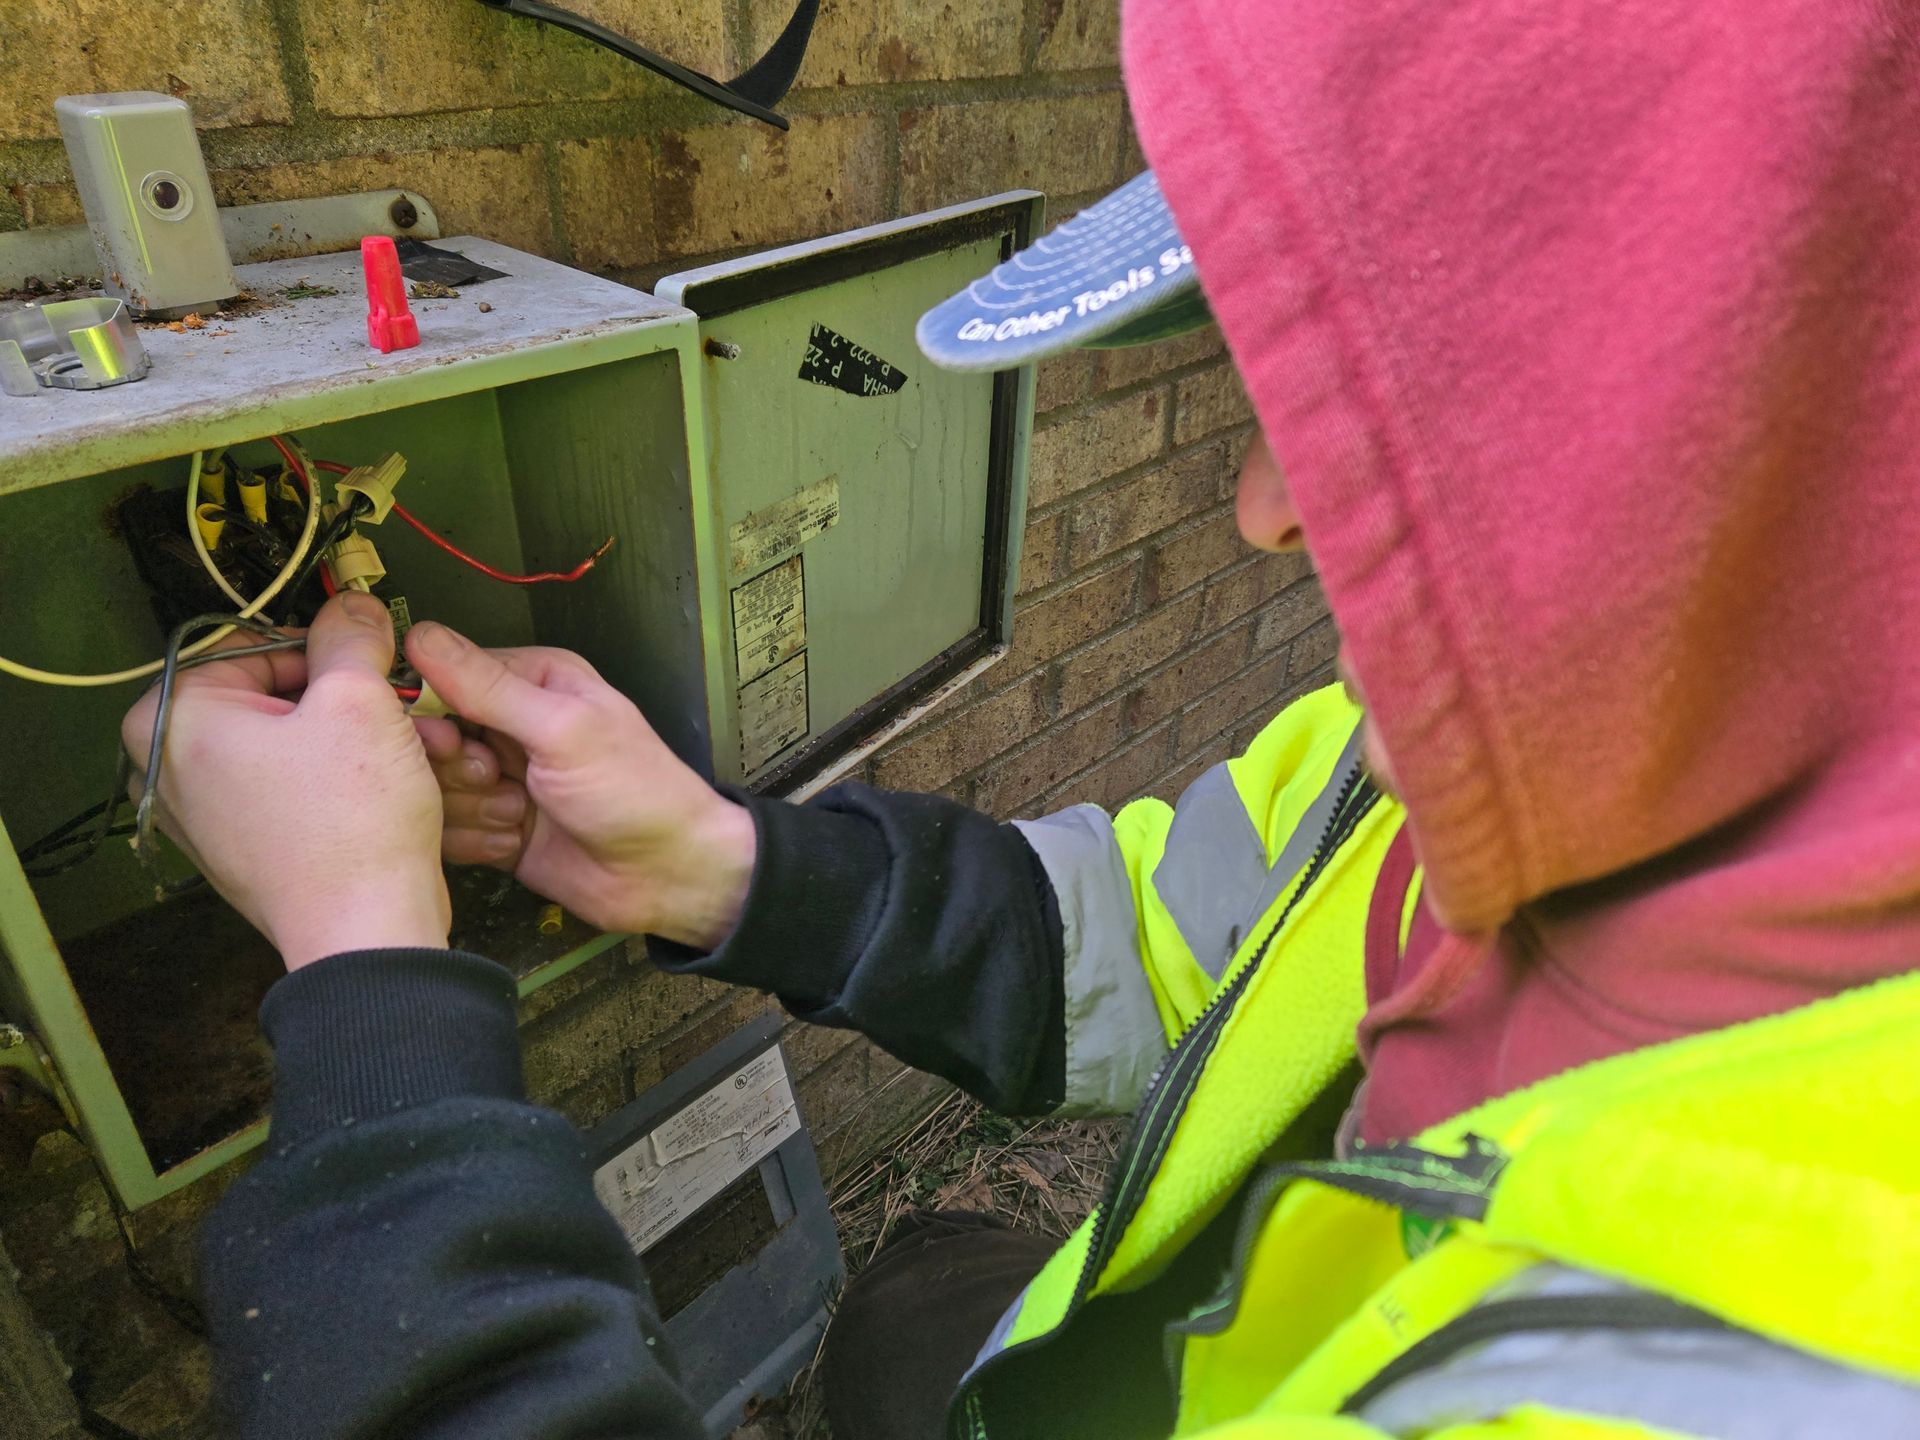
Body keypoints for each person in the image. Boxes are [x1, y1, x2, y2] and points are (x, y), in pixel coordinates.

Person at [142, 0, 1920, 1436]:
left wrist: (366, 983)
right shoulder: (1466, 771)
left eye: (1423, 391)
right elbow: (1158, 944)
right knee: (930, 1317)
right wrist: (723, 869)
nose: (1262, 511)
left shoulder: (1777, 1355)